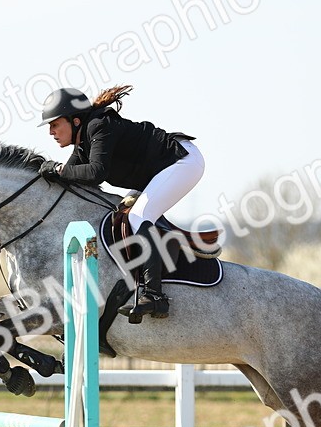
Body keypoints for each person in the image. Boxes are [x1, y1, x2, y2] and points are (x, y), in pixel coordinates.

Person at [37, 85, 204, 322]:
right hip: (160, 170)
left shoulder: (99, 126)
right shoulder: (83, 141)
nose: (51, 132)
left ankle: (155, 295)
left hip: (182, 161)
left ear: (75, 121)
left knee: (138, 216)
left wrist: (58, 169)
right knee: (129, 214)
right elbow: (71, 178)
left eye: (55, 124)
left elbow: (96, 172)